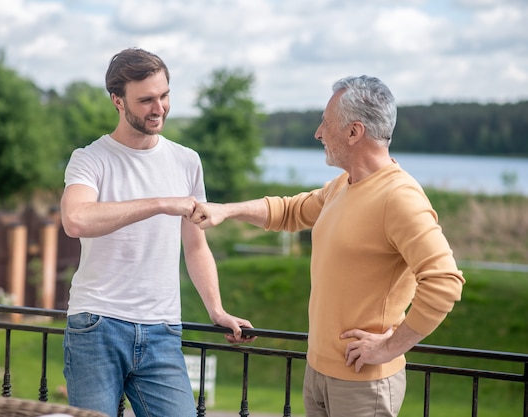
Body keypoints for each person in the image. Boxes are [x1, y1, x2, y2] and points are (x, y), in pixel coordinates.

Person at [190, 75, 465, 417]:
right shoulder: (343, 186)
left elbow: (444, 282)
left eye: (326, 122)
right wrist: (226, 210)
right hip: (318, 375)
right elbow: (288, 211)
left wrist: (390, 348)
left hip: (363, 385)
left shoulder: (399, 197)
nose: (318, 132)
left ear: (354, 132)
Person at [60, 47, 255, 417]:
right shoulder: (90, 158)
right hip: (97, 324)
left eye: (164, 95)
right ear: (117, 100)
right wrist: (161, 202)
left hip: (163, 330)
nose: (159, 107)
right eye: (146, 99)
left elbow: (195, 245)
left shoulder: (186, 160)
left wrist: (217, 309)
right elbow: (76, 220)